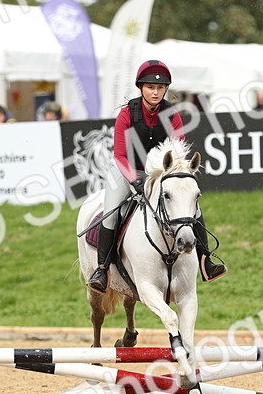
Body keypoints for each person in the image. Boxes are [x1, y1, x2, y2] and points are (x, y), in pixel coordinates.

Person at [87, 59, 226, 292]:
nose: (155, 92)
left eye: (160, 88)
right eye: (150, 87)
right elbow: (120, 155)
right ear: (141, 88)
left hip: (160, 173)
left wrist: (170, 177)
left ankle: (207, 261)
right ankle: (102, 269)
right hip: (127, 171)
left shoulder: (172, 115)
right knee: (111, 215)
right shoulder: (126, 114)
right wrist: (134, 179)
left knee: (193, 210)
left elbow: (178, 154)